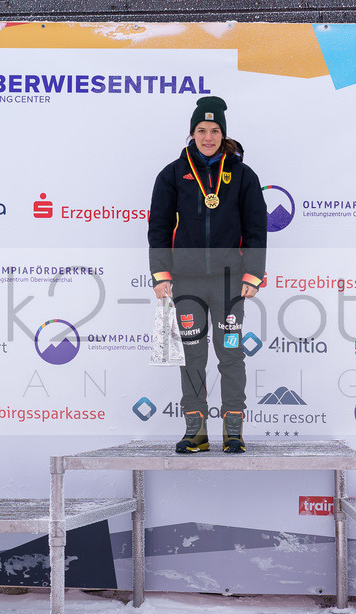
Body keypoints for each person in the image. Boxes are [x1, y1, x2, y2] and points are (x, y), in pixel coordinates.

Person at [148, 96, 267, 453]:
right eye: (201, 130)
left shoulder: (243, 175)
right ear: (192, 134)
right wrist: (160, 273)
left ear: (223, 134)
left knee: (230, 354)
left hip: (231, 281)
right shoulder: (172, 175)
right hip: (187, 280)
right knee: (192, 354)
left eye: (215, 130)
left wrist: (253, 274)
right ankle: (196, 430)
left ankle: (233, 430)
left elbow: (256, 228)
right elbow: (159, 227)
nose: (208, 137)